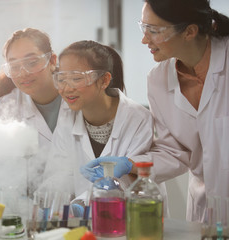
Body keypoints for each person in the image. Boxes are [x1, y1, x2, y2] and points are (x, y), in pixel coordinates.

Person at [82, 0, 229, 222]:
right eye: (144, 27)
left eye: (154, 31)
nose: (144, 39)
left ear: (189, 31)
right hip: (206, 208)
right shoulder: (158, 79)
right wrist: (129, 164)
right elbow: (175, 151)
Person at [44, 40, 167, 215]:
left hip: (134, 216)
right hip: (86, 221)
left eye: (76, 78)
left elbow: (128, 182)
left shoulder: (137, 117)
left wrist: (81, 205)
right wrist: (47, 203)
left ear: (104, 80)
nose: (66, 88)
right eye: (61, 79)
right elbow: (58, 173)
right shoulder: (67, 116)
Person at [0, 28, 69, 150]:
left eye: (32, 63)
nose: (23, 73)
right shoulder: (7, 107)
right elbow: (2, 160)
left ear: (52, 61)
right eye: (14, 66)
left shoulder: (77, 96)